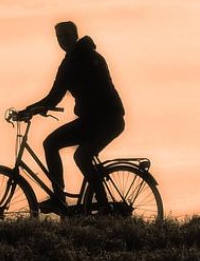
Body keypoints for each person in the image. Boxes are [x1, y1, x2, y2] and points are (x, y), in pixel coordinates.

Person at [18, 21, 125, 213]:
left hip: (107, 120)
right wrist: (34, 108)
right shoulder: (76, 60)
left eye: (66, 36)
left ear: (75, 35)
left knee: (78, 154)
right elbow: (54, 96)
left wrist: (32, 109)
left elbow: (56, 97)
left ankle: (101, 205)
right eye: (59, 37)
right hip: (94, 120)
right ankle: (63, 200)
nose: (62, 40)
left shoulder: (84, 60)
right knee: (56, 145)